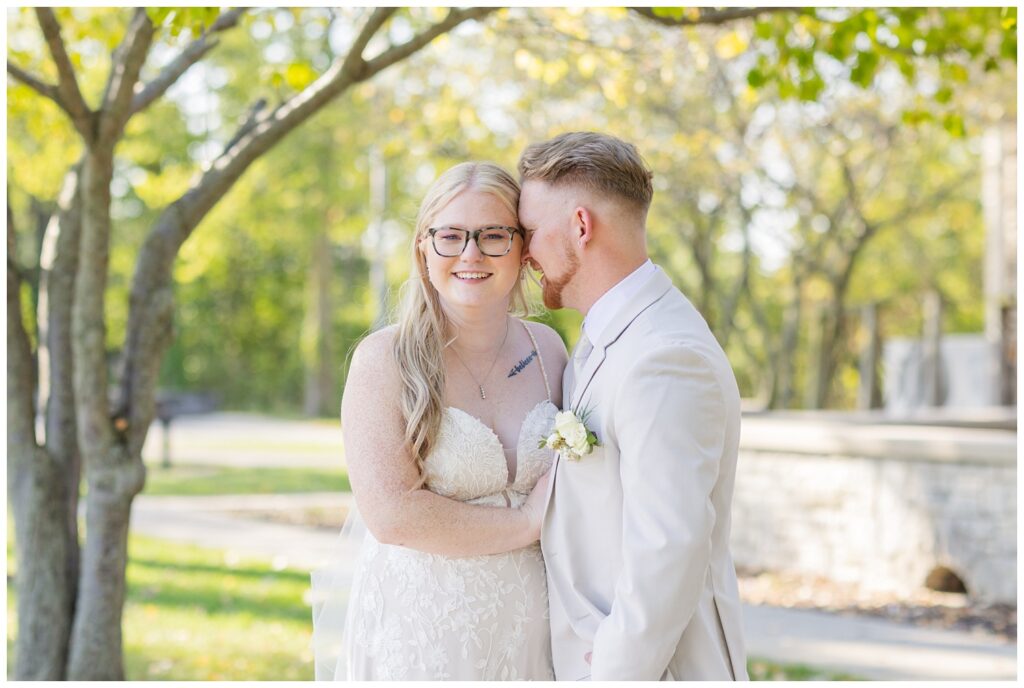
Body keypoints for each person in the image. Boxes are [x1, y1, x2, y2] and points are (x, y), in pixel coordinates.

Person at [311, 162, 566, 680]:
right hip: (425, 633)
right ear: (424, 248)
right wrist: (526, 522)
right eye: (450, 236)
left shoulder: (550, 352)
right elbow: (390, 515)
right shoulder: (384, 361)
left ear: (522, 248)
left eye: (494, 235)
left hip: (537, 630)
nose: (471, 254)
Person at [518, 132, 749, 681]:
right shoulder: (609, 336)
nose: (524, 252)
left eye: (530, 231)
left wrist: (615, 672)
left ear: (580, 226)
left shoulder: (666, 357)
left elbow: (668, 548)